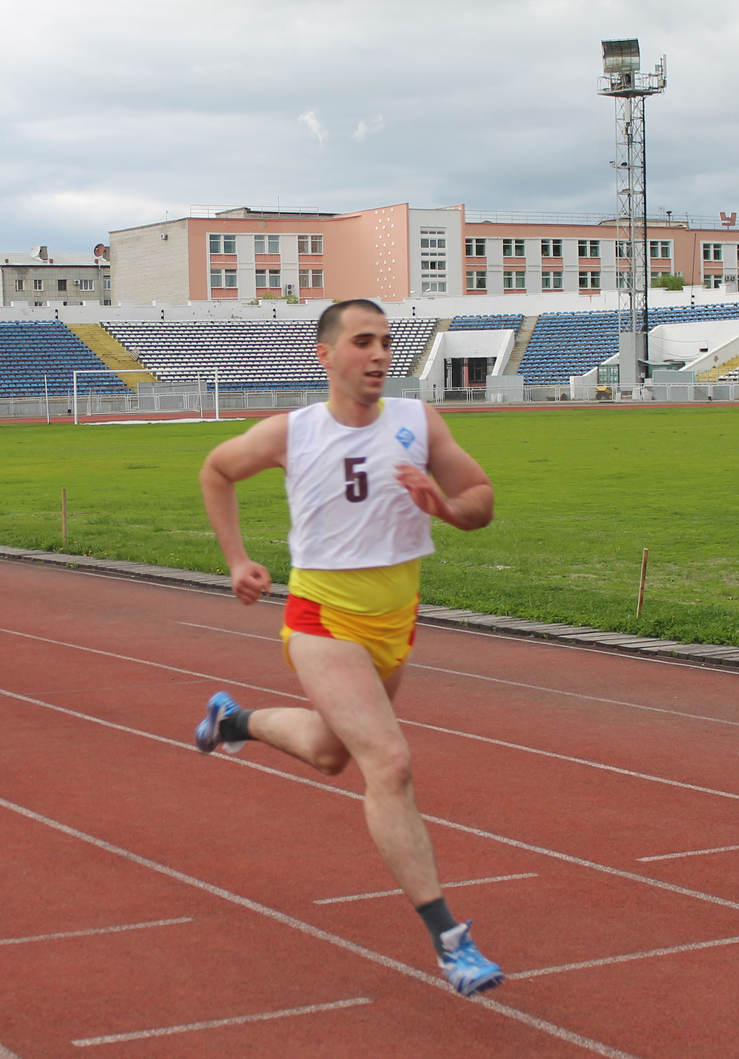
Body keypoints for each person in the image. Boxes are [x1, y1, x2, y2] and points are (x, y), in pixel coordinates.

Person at [196, 299, 504, 996]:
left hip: (395, 621)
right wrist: (237, 559)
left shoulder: (418, 423)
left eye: (387, 342)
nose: (379, 354)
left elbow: (481, 497)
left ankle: (232, 721)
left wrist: (446, 508)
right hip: (321, 618)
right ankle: (450, 939)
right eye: (362, 341)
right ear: (325, 354)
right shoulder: (292, 432)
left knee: (334, 754)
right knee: (388, 763)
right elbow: (216, 470)